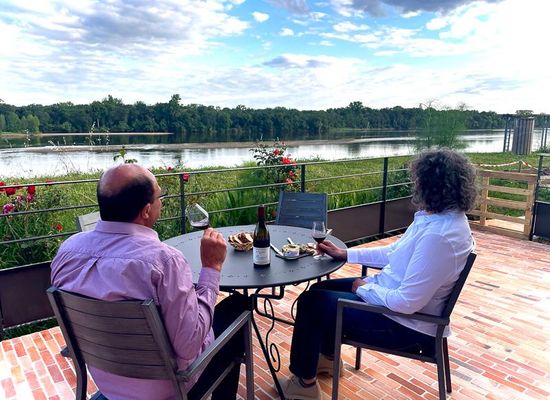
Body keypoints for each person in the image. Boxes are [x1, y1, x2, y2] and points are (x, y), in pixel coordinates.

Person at [281, 149, 478, 400]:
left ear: (431, 186)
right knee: (319, 290)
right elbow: (394, 252)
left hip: (404, 327)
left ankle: (304, 386)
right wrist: (345, 254)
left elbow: (406, 303)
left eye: (418, 181)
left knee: (311, 303)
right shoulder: (437, 220)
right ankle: (327, 359)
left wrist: (363, 288)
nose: (414, 186)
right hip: (394, 305)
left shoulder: (439, 236)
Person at [51, 163, 248, 400]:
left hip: (109, 385)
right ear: (146, 211)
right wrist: (211, 268)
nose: (160, 202)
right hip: (172, 389)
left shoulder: (67, 251)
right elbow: (189, 346)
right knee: (238, 307)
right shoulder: (164, 261)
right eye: (159, 196)